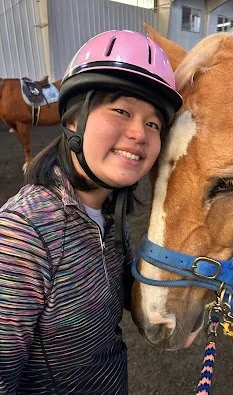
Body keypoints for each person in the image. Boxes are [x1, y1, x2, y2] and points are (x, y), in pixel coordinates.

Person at [0, 29, 182, 394]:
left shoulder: (110, 211)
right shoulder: (22, 235)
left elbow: (118, 282)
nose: (140, 133)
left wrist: (166, 298)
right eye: (121, 110)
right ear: (72, 120)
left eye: (153, 123)